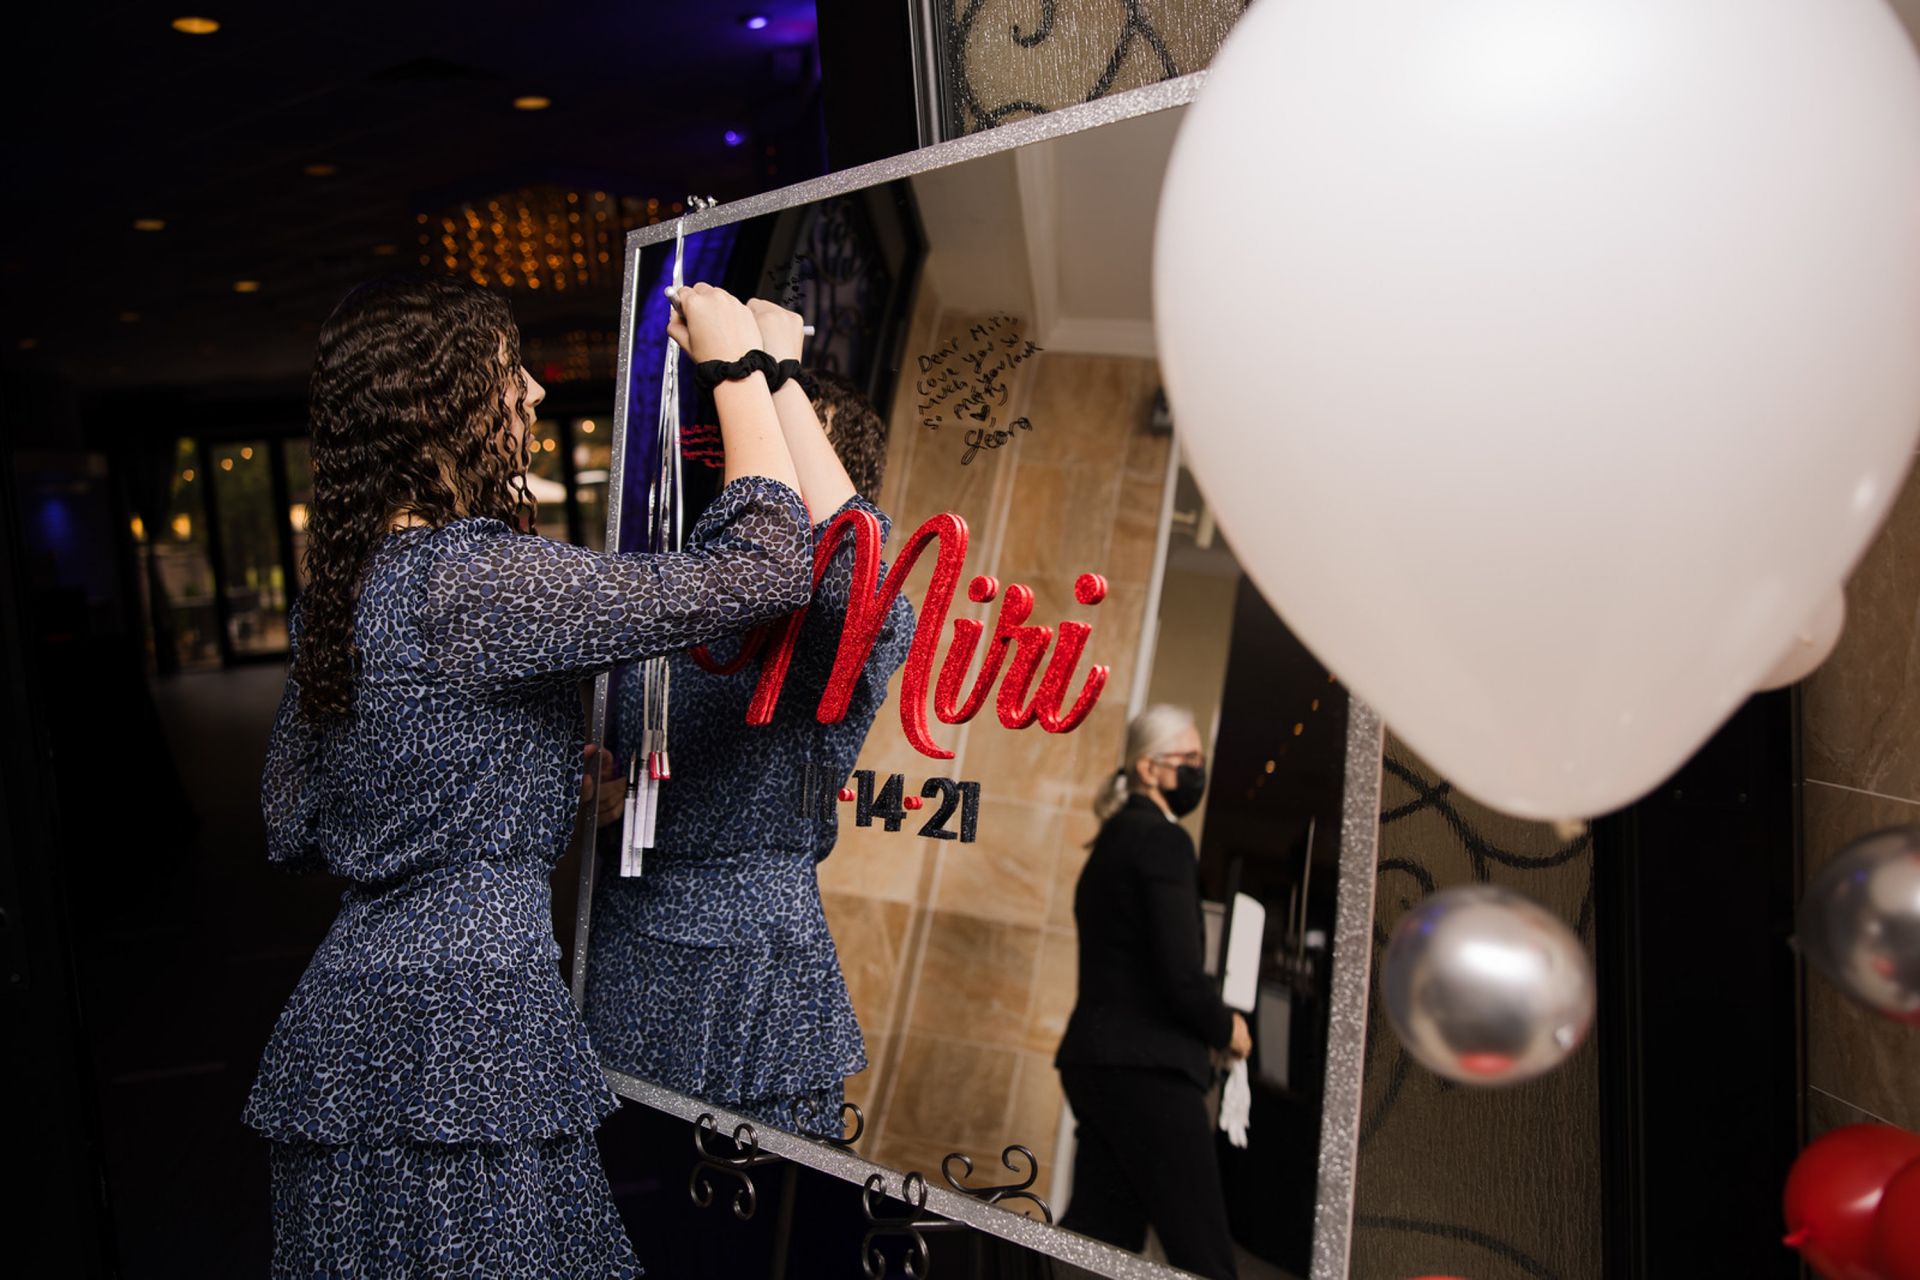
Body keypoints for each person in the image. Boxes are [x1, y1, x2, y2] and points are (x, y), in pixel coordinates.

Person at [244, 275, 813, 1277]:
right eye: (512, 371)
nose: (536, 392)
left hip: (347, 1034)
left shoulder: (352, 586)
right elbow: (767, 569)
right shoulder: (475, 578)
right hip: (465, 1027)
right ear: (446, 403)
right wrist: (740, 365)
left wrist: (513, 784)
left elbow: (295, 818)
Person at [584, 306, 913, 1137]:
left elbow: (853, 571)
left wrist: (770, 373)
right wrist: (599, 789)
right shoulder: (695, 589)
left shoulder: (848, 620)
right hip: (624, 958)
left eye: (776, 424)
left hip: (751, 993)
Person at [1055, 704, 1250, 1280]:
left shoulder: (1112, 841)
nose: (1197, 770)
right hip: (1147, 1071)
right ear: (1148, 767)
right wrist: (1227, 1027)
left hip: (1097, 1063)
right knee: (1204, 1258)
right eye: (1188, 758)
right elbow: (1180, 975)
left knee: (1098, 1243)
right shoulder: (1163, 842)